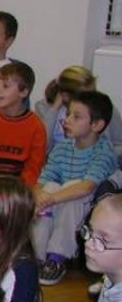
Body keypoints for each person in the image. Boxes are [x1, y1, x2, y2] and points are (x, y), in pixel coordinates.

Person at [34, 91, 117, 285]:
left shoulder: (103, 152)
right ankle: (36, 257)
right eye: (68, 114)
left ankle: (57, 258)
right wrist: (39, 195)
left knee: (72, 188)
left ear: (97, 125)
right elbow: (43, 180)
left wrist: (51, 198)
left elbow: (87, 187)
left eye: (76, 117)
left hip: (89, 209)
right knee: (50, 187)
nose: (67, 120)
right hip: (58, 204)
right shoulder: (62, 148)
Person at [0, 61, 46, 186]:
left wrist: (18, 190)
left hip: (17, 191)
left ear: (23, 92)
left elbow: (33, 168)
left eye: (5, 86)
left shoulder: (36, 126)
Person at [35, 64, 122, 164]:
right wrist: (55, 108)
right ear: (65, 94)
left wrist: (103, 156)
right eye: (85, 95)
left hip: (95, 162)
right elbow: (42, 147)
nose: (90, 99)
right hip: (58, 164)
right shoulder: (43, 107)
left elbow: (118, 144)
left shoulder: (106, 108)